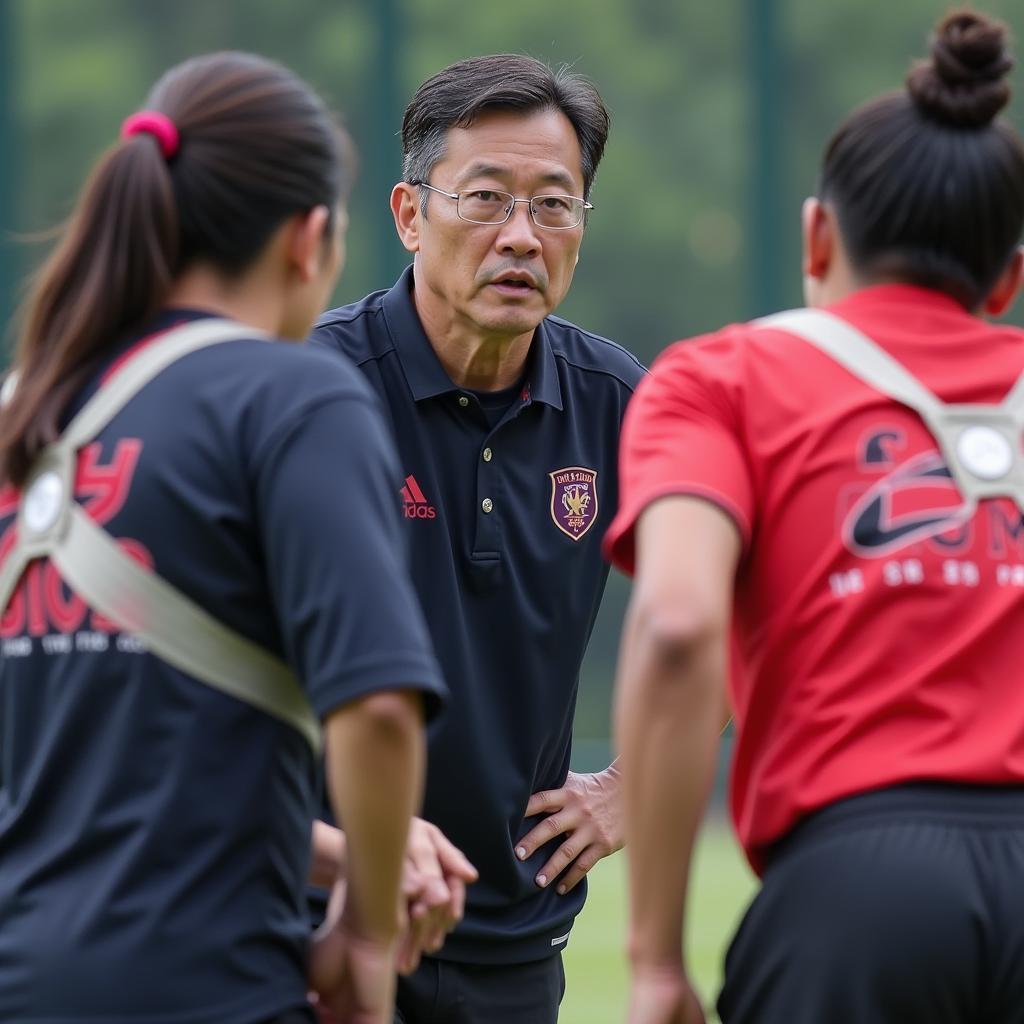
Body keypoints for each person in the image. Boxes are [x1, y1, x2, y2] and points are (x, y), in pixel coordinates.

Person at [0, 51, 451, 1024]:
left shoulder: (25, 418)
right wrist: (367, 935)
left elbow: (88, 784)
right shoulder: (290, 395)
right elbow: (375, 709)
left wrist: (331, 848)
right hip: (208, 987)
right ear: (310, 240)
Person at [606, 9, 1024, 1024]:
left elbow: (675, 625)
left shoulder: (721, 379)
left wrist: (655, 957)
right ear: (1009, 277)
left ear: (816, 236)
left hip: (855, 903)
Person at [311, 53, 644, 1023]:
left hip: (514, 932)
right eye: (486, 199)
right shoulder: (313, 386)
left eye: (554, 205)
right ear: (410, 215)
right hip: (320, 913)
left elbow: (742, 610)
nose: (519, 237)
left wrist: (630, 787)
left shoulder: (619, 401)